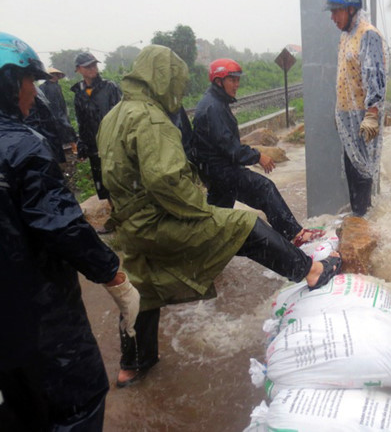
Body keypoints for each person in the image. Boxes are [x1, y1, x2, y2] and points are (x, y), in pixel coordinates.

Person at [96, 45, 342, 387]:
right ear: (162, 80)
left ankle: (133, 365)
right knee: (244, 225)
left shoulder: (114, 115)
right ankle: (312, 271)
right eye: (177, 86)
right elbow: (165, 179)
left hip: (132, 226)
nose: (179, 94)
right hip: (158, 220)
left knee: (141, 289)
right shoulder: (151, 118)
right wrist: (198, 213)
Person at [0, 32, 140, 431]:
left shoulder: (105, 92)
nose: (35, 93)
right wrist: (113, 273)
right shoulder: (21, 147)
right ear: (10, 84)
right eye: (30, 82)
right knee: (75, 405)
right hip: (37, 314)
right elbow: (61, 224)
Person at [192, 58, 324, 246]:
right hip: (221, 171)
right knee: (264, 188)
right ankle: (295, 236)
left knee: (217, 219)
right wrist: (258, 156)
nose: (237, 84)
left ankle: (202, 252)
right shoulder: (213, 107)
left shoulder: (214, 102)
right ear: (218, 81)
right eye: (232, 80)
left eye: (238, 80)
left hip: (214, 171)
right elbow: (230, 147)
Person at [326, 0, 387, 216]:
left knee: (362, 172)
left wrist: (371, 114)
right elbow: (345, 76)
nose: (332, 18)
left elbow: (374, 75)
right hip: (347, 118)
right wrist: (339, 114)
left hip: (363, 118)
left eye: (336, 11)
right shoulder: (346, 36)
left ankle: (363, 223)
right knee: (352, 169)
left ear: (351, 10)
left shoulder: (367, 34)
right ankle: (359, 221)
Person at [71, 51, 121, 201]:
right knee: (103, 184)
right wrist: (82, 143)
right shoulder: (79, 93)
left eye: (94, 65)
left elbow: (121, 114)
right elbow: (82, 121)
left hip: (112, 143)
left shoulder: (109, 87)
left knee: (119, 180)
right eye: (88, 67)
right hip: (94, 146)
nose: (93, 69)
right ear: (78, 69)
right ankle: (114, 211)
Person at [39, 66, 78, 152]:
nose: (56, 77)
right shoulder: (43, 87)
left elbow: (61, 101)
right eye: (54, 75)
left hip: (60, 112)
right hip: (51, 113)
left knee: (67, 128)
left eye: (57, 75)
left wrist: (64, 112)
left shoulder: (57, 86)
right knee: (56, 132)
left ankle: (74, 148)